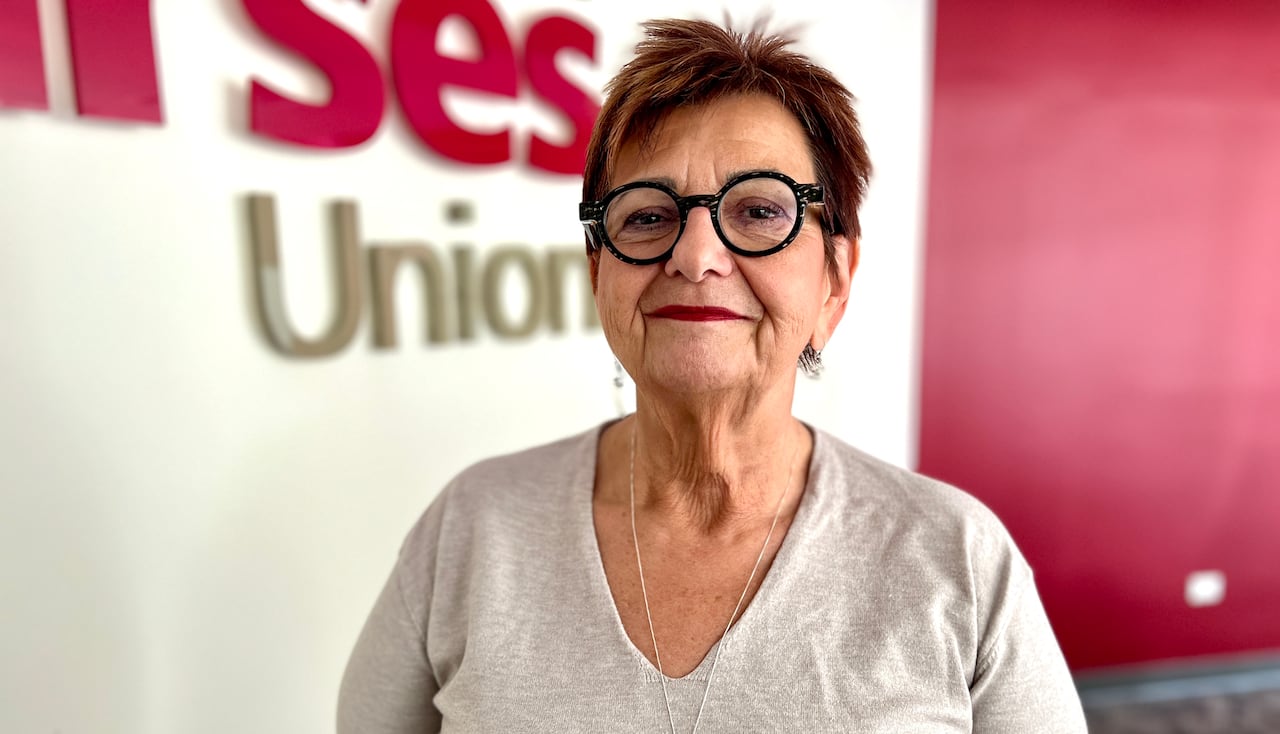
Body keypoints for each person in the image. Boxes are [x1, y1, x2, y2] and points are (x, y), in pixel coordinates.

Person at [337, 17, 1087, 733]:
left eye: (760, 210)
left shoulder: (957, 558)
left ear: (836, 279)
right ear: (599, 274)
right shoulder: (471, 528)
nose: (695, 256)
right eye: (647, 216)